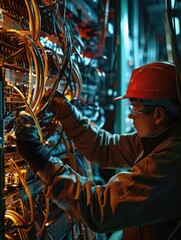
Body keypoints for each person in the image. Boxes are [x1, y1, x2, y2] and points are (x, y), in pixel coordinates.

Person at [15, 61, 181, 240]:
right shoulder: (158, 139)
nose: (130, 115)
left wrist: (43, 163)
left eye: (135, 109)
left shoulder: (169, 162)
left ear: (158, 115)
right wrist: (68, 115)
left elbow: (100, 209)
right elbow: (105, 148)